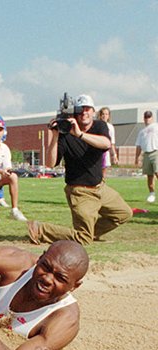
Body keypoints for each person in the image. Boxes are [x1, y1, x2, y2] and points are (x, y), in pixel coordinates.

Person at [28, 94, 132, 245]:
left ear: (93, 111)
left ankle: (87, 232)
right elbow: (50, 164)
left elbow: (106, 144)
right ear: (74, 114)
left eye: (87, 109)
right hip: (80, 192)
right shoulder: (65, 134)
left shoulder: (99, 126)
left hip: (100, 188)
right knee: (83, 240)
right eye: (80, 110)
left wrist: (80, 134)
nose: (84, 113)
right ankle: (41, 230)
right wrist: (55, 136)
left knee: (124, 214)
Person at [135, 110, 158, 203]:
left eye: (149, 117)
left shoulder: (156, 126)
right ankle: (152, 193)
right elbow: (138, 145)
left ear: (152, 118)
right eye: (146, 117)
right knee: (149, 175)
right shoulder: (142, 132)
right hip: (146, 154)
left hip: (156, 152)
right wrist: (137, 157)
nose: (147, 119)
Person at [97, 107, 118, 178]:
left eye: (106, 114)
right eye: (103, 114)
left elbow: (112, 143)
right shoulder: (96, 125)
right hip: (96, 151)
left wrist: (114, 155)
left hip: (105, 152)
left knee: (103, 173)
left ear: (108, 116)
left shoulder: (110, 127)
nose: (104, 116)